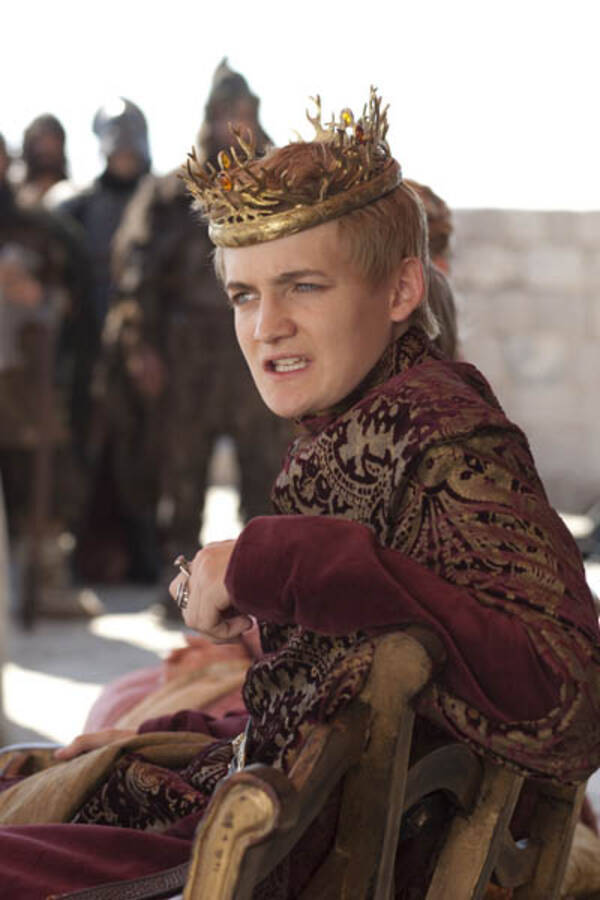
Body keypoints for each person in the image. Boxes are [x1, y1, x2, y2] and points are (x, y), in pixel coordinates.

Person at [1, 89, 599, 899]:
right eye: (244, 294)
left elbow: (571, 692)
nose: (266, 326)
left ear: (402, 290)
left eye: (304, 286)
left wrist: (271, 561)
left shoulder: (442, 435)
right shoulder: (360, 424)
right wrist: (160, 737)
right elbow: (314, 689)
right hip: (276, 815)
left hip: (284, 860)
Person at [102, 59, 290, 592]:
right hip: (187, 356)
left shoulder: (279, 185)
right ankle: (182, 587)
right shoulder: (171, 193)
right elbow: (135, 276)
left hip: (258, 347)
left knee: (268, 478)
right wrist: (141, 348)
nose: (236, 124)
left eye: (244, 112)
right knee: (179, 477)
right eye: (227, 112)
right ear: (209, 118)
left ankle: (264, 589)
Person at [0, 132, 98, 617]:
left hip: (22, 380)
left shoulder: (37, 226)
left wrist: (38, 298)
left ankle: (45, 585)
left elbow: (72, 299)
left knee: (41, 483)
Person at [14, 114, 73, 210]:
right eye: (39, 142)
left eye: (51, 142)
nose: (45, 148)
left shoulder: (74, 197)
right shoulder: (14, 195)